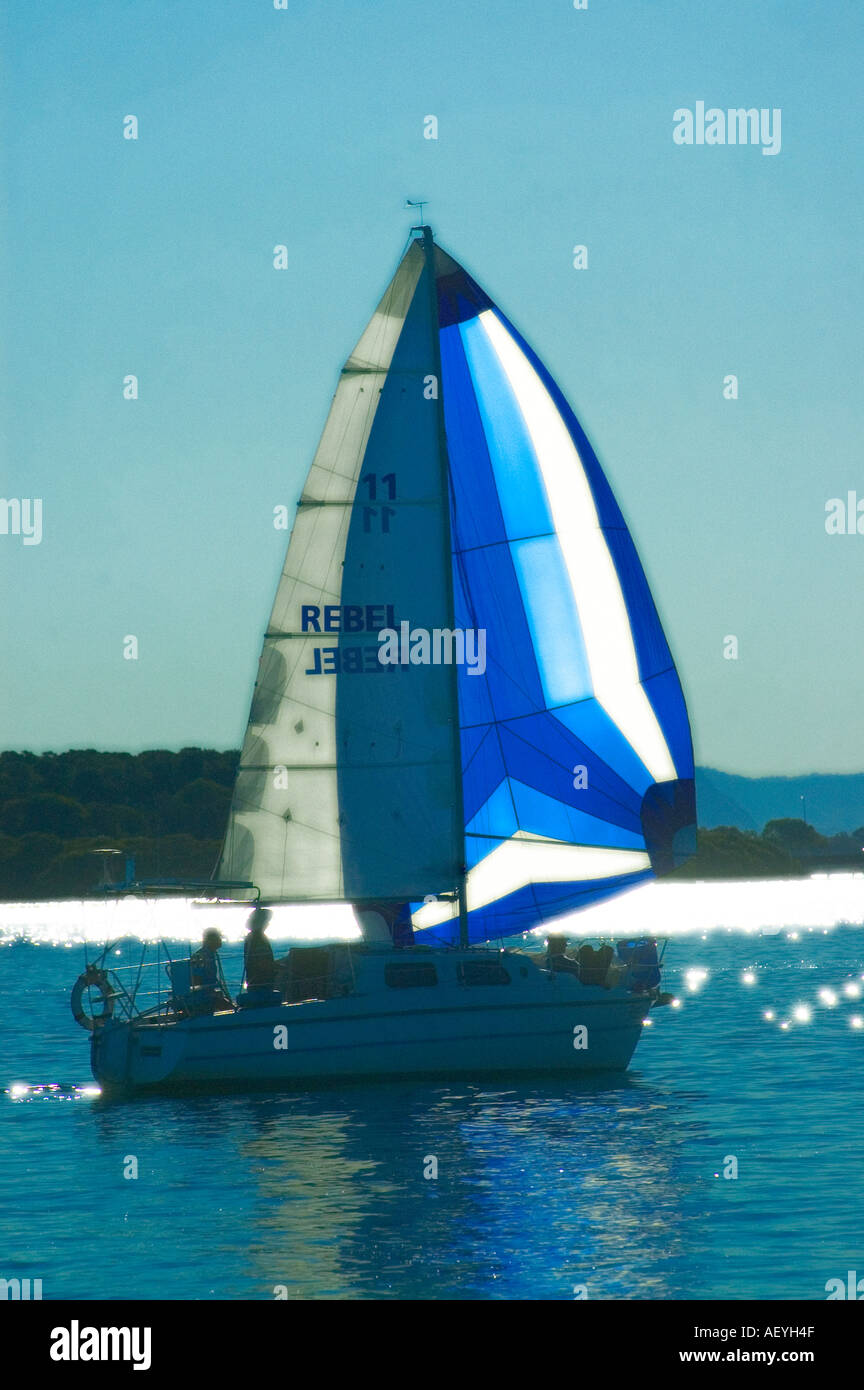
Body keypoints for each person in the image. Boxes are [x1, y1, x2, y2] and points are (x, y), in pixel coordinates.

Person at [188, 929, 232, 1012]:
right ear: (210, 940)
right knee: (230, 1009)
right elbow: (195, 978)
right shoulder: (200, 956)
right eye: (218, 938)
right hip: (202, 995)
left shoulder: (210, 954)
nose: (220, 940)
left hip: (208, 992)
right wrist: (209, 993)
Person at [244, 907, 276, 988]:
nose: (268, 924)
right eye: (267, 921)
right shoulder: (257, 938)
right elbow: (262, 962)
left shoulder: (253, 936)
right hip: (261, 981)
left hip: (255, 980)